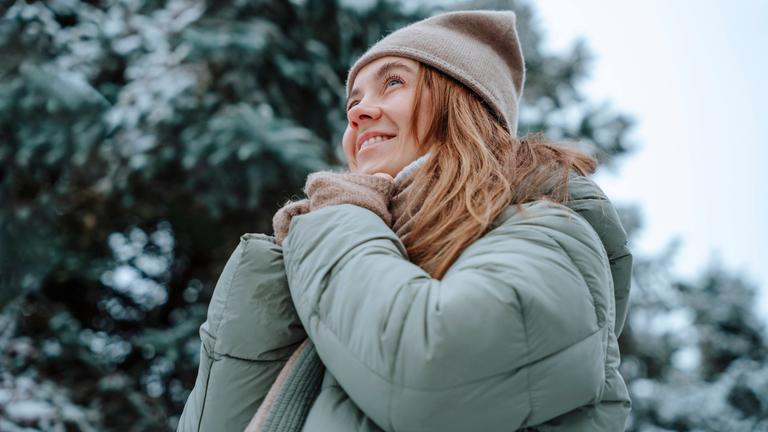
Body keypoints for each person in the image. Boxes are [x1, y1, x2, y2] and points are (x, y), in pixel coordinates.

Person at [178, 10, 632, 432]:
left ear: (461, 105)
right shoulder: (363, 253)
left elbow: (430, 371)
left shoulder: (550, 237)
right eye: (353, 101)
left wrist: (340, 217)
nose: (357, 111)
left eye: (393, 83)